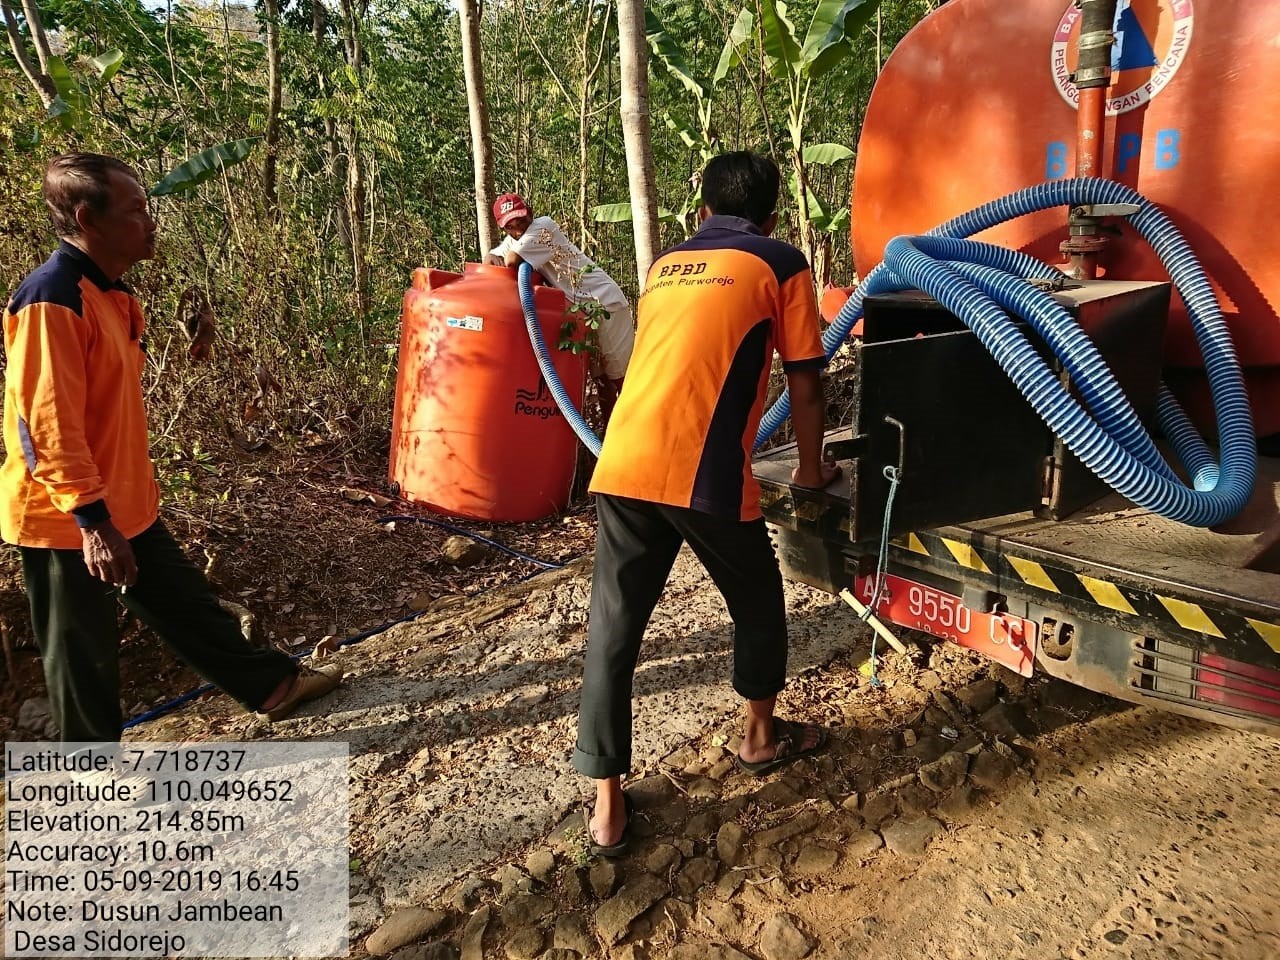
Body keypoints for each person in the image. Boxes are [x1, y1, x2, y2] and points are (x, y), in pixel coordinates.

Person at [1, 153, 342, 742]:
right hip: (66, 516)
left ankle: (273, 686)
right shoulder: (52, 299)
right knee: (82, 658)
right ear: (88, 218)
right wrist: (91, 521)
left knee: (186, 604)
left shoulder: (109, 292)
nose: (151, 220)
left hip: (123, 502)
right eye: (136, 210)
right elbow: (46, 426)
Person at [572, 151, 841, 855]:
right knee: (756, 600)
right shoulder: (779, 262)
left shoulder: (664, 265)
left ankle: (605, 809)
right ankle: (758, 739)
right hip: (701, 473)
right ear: (772, 217)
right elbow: (806, 380)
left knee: (613, 632)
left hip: (622, 461)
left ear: (700, 214)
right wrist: (813, 471)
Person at [485, 194, 634, 416]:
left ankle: (648, 436)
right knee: (601, 381)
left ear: (531, 214)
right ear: (503, 228)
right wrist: (496, 253)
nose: (518, 230)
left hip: (604, 303)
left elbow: (510, 261)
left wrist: (507, 256)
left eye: (521, 222)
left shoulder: (543, 227)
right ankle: (609, 441)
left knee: (623, 380)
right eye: (510, 227)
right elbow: (490, 259)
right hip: (584, 313)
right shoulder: (516, 239)